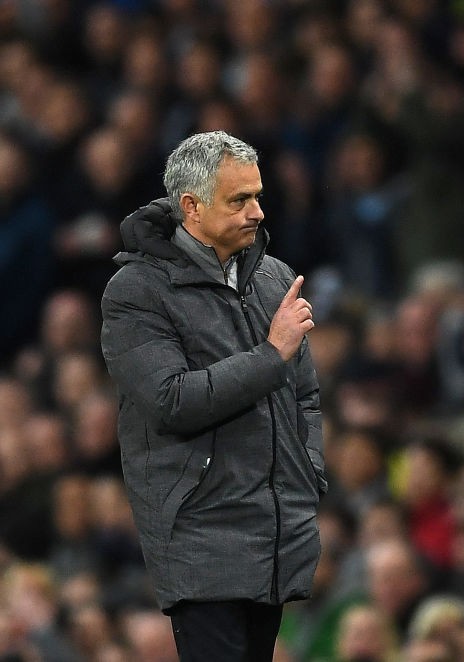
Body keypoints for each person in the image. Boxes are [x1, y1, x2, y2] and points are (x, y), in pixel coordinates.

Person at [100, 130, 328, 661]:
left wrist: (307, 469)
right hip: (200, 531)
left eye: (258, 196)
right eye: (239, 200)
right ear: (191, 207)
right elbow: (172, 400)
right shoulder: (136, 291)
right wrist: (270, 355)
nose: (257, 212)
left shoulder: (273, 278)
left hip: (274, 527)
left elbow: (306, 396)